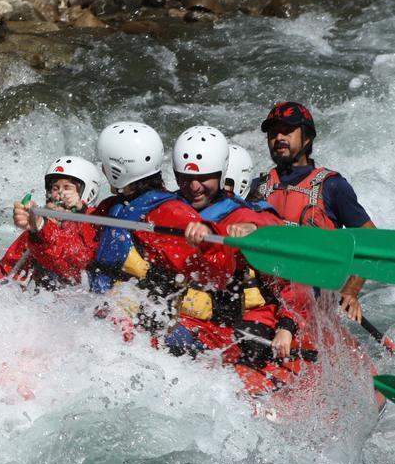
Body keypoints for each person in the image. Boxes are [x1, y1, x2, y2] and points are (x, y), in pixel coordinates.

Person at [169, 126, 312, 368]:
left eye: (204, 178)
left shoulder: (251, 218)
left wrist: (287, 326)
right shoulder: (170, 211)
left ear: (221, 174)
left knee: (252, 348)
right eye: (185, 178)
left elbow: (294, 275)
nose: (194, 187)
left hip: (246, 321)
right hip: (195, 322)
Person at [82, 122, 237, 338]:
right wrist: (41, 228)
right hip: (109, 317)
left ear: (118, 170)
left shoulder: (170, 214)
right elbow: (78, 251)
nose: (102, 170)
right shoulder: (111, 208)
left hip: (153, 331)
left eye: (105, 165)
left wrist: (208, 241)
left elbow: (218, 276)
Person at [250, 102, 377, 322]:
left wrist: (351, 290)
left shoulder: (333, 186)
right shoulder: (257, 187)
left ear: (307, 138)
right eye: (273, 132)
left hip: (312, 311)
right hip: (265, 304)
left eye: (287, 131)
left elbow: (372, 241)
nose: (279, 137)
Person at [0, 155, 103, 289]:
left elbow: (71, 264)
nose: (58, 194)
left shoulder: (94, 224)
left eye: (67, 187)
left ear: (89, 193)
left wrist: (42, 227)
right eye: (54, 188)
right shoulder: (37, 229)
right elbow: (7, 271)